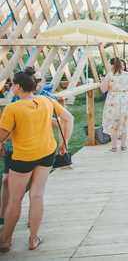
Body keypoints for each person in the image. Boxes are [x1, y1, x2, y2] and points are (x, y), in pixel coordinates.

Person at [0, 68, 74, 252]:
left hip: (23, 157)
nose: (11, 87)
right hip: (47, 153)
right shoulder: (46, 100)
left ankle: (5, 241)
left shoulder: (12, 108)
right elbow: (68, 117)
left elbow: (1, 135)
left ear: (17, 87)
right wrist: (65, 144)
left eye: (12, 85)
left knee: (15, 200)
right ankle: (33, 239)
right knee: (37, 195)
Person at [101, 58, 128, 152]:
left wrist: (104, 80)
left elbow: (103, 89)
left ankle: (114, 146)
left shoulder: (110, 75)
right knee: (123, 122)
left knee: (113, 123)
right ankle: (123, 145)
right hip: (125, 98)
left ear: (112, 65)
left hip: (113, 99)